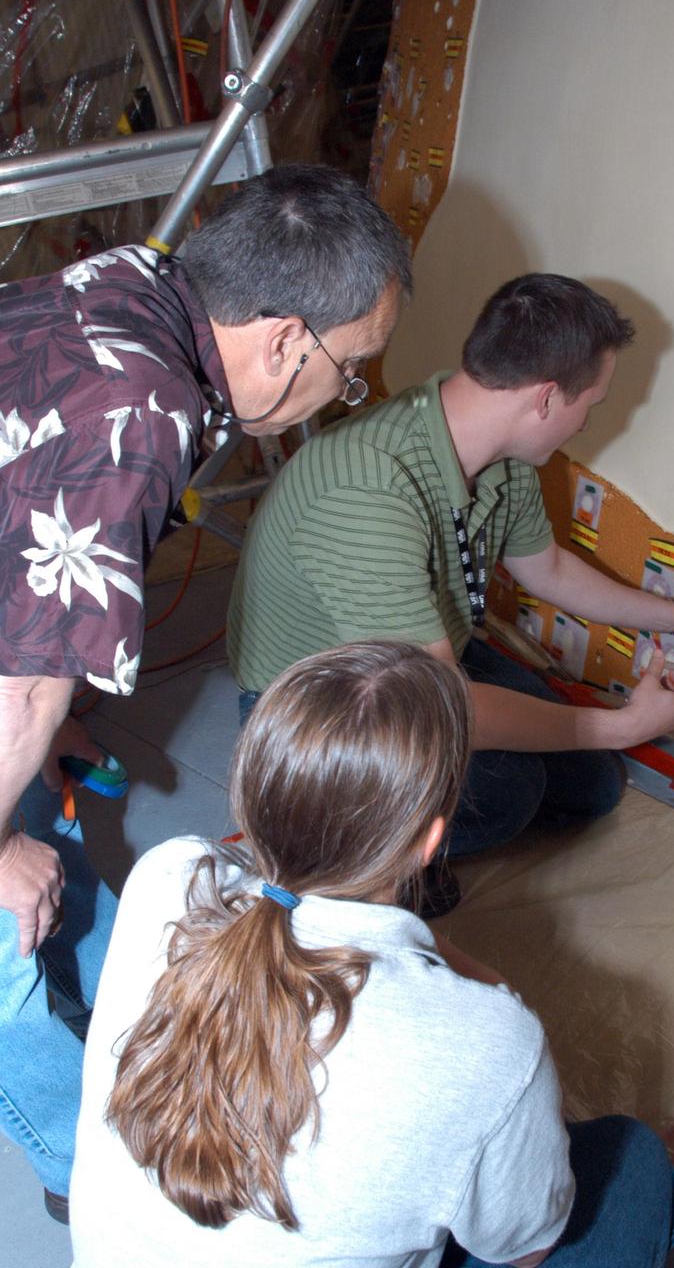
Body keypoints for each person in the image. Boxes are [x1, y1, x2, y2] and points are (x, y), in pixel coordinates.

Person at [0, 162, 412, 1219]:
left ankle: (90, 1003)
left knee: (49, 810)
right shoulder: (137, 418)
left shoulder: (146, 276)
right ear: (282, 339)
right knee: (0, 941)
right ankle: (76, 1167)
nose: (347, 388)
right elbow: (23, 692)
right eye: (351, 366)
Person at [70, 640, 674, 1267]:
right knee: (635, 1166)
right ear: (432, 842)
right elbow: (526, 1251)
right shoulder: (490, 1043)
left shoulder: (168, 872)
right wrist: (499, 1001)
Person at [226, 274, 674, 890]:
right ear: (547, 399)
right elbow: (446, 707)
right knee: (505, 795)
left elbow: (546, 569)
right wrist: (625, 724)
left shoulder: (501, 454)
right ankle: (350, 858)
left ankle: (411, 825)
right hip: (320, 706)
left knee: (591, 787)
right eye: (589, 405)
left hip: (424, 662)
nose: (584, 423)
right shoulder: (365, 488)